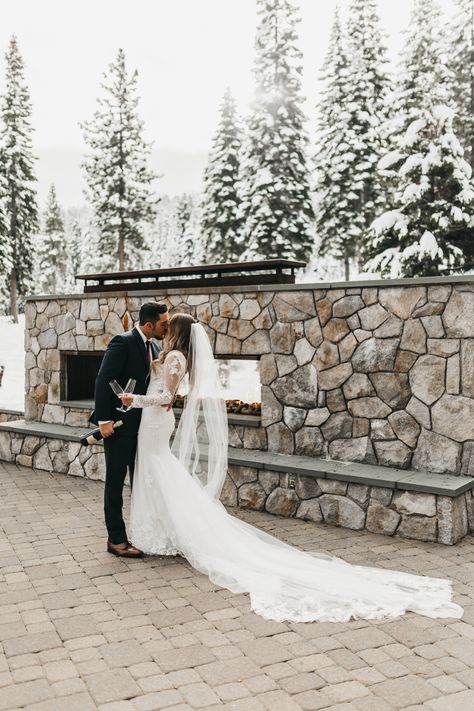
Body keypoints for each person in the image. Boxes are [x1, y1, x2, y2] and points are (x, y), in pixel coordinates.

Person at [119, 312, 463, 623]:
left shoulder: (176, 357)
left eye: (168, 326)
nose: (164, 329)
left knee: (160, 472)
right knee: (160, 475)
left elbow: (166, 400)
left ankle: (174, 532)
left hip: (153, 422)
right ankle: (167, 531)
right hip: (151, 424)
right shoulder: (172, 356)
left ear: (176, 332)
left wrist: (133, 400)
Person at [92, 301, 169, 558]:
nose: (166, 328)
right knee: (115, 483)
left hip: (144, 429)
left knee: (141, 483)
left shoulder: (155, 346)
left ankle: (143, 533)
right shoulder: (122, 342)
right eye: (163, 324)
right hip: (118, 426)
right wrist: (103, 420)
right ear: (149, 325)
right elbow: (104, 379)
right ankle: (116, 540)